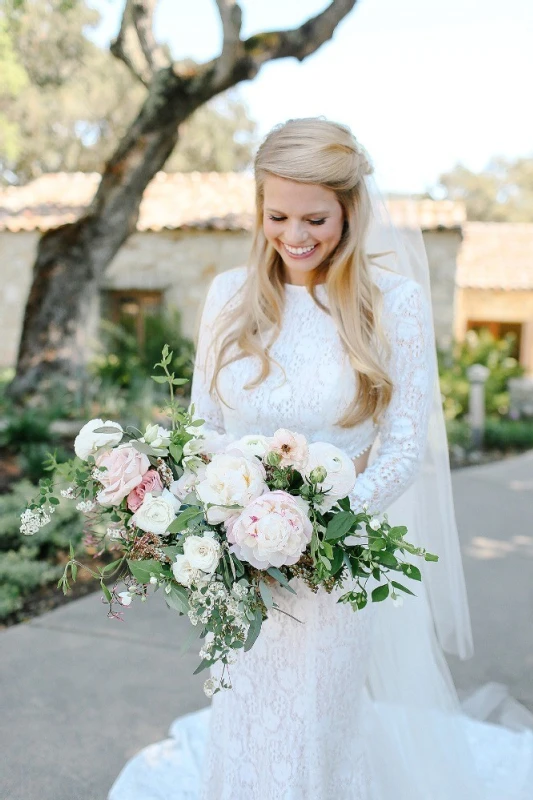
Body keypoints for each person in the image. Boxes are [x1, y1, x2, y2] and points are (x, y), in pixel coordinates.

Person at [108, 118, 533, 800]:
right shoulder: (226, 295)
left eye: (316, 218)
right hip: (235, 563)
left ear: (350, 210)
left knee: (315, 720)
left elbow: (401, 447)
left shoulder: (393, 302)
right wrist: (210, 526)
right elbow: (203, 429)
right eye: (277, 215)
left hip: (333, 562)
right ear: (259, 210)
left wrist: (316, 529)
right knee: (244, 709)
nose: (295, 236)